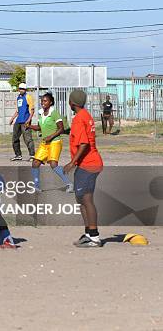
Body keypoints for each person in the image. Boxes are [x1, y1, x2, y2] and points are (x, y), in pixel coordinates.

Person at [63, 90, 104, 248]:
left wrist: (72, 163)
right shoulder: (85, 115)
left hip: (88, 164)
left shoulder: (79, 118)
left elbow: (84, 143)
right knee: (81, 199)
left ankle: (94, 237)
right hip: (88, 163)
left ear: (71, 103)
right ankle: (88, 234)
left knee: (86, 200)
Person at [28, 93, 73, 193]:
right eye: (42, 101)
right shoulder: (40, 113)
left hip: (55, 142)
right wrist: (29, 126)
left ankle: (69, 184)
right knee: (35, 163)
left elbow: (61, 128)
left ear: (50, 102)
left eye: (45, 101)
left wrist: (51, 136)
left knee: (53, 164)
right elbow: (40, 127)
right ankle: (36, 186)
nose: (42, 103)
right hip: (45, 143)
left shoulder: (54, 113)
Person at [9, 83, 35, 161]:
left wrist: (29, 120)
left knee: (27, 139)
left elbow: (32, 110)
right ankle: (18, 155)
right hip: (18, 121)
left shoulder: (28, 97)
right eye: (20, 88)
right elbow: (17, 111)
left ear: (25, 89)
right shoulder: (18, 98)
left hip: (25, 121)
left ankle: (32, 156)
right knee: (15, 138)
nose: (21, 90)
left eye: (23, 89)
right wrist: (12, 118)